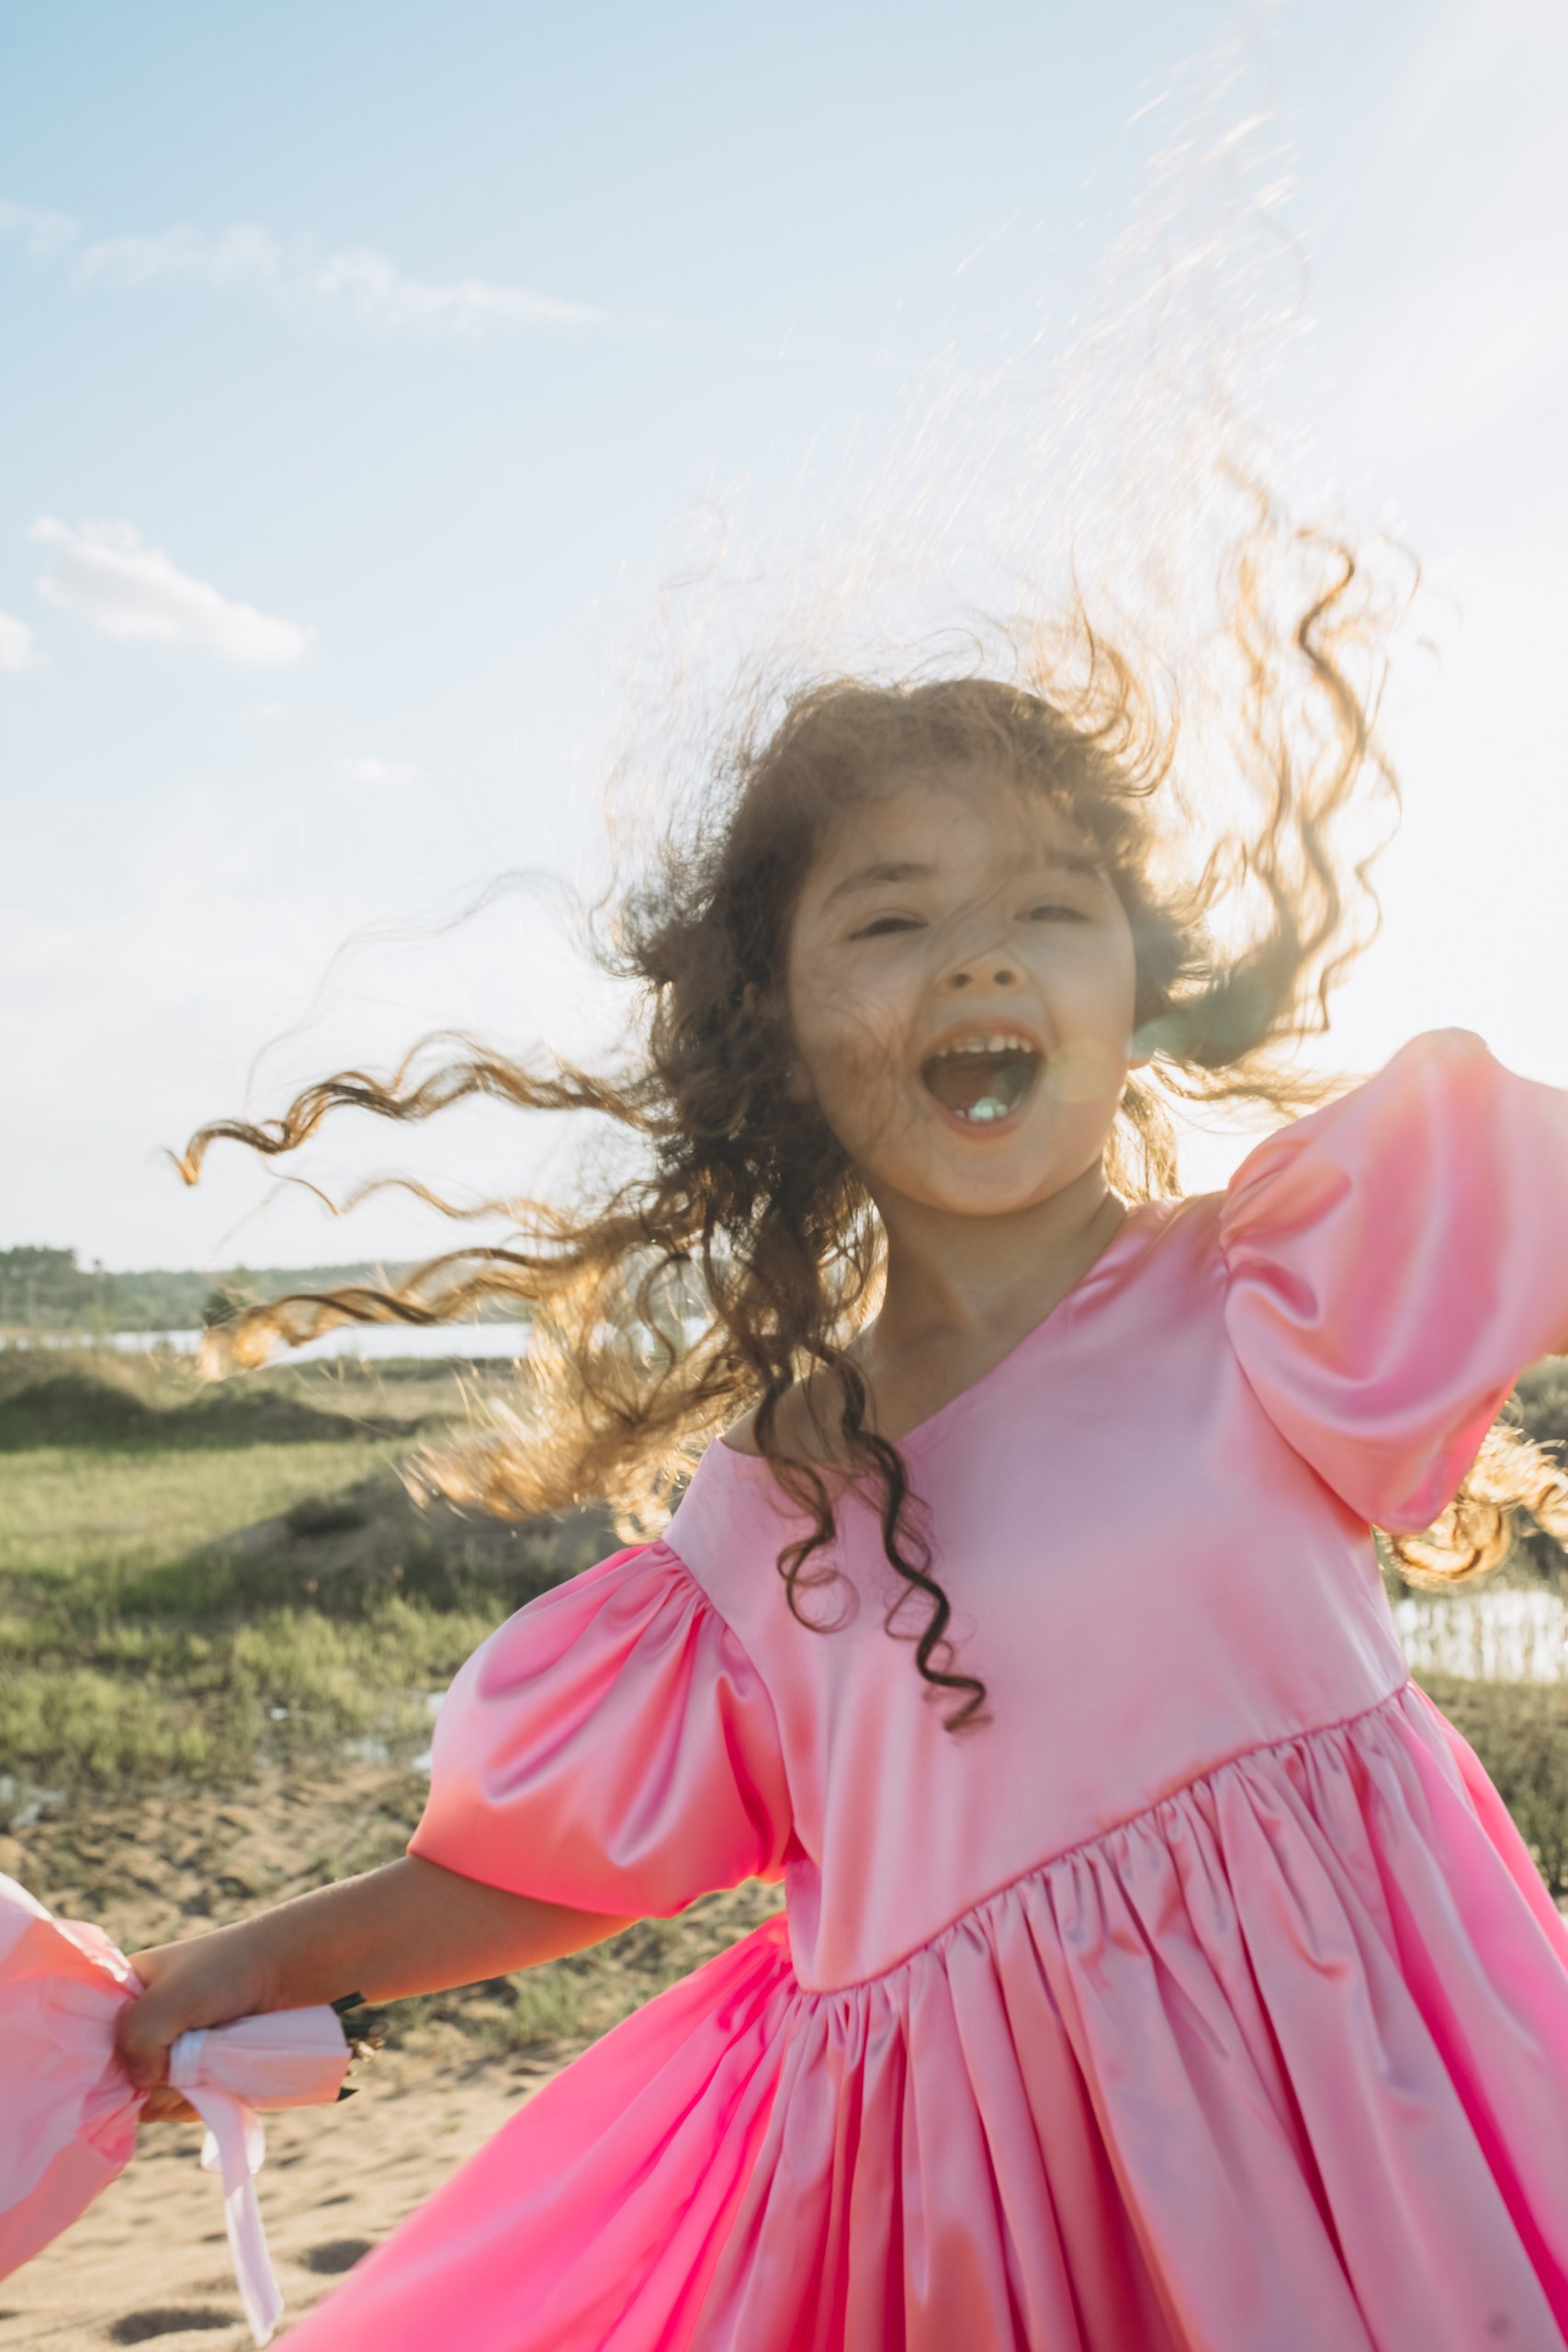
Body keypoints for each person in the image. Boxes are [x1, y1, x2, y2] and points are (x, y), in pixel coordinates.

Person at [114, 547, 1568, 2348]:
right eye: (888, 918)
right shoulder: (759, 1516)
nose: (975, 949)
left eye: (1047, 901)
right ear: (779, 1039)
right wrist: (265, 1958)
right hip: (989, 2220)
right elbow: (560, 1862)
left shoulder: (1275, 1285)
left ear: (1137, 985)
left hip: (1382, 2130)